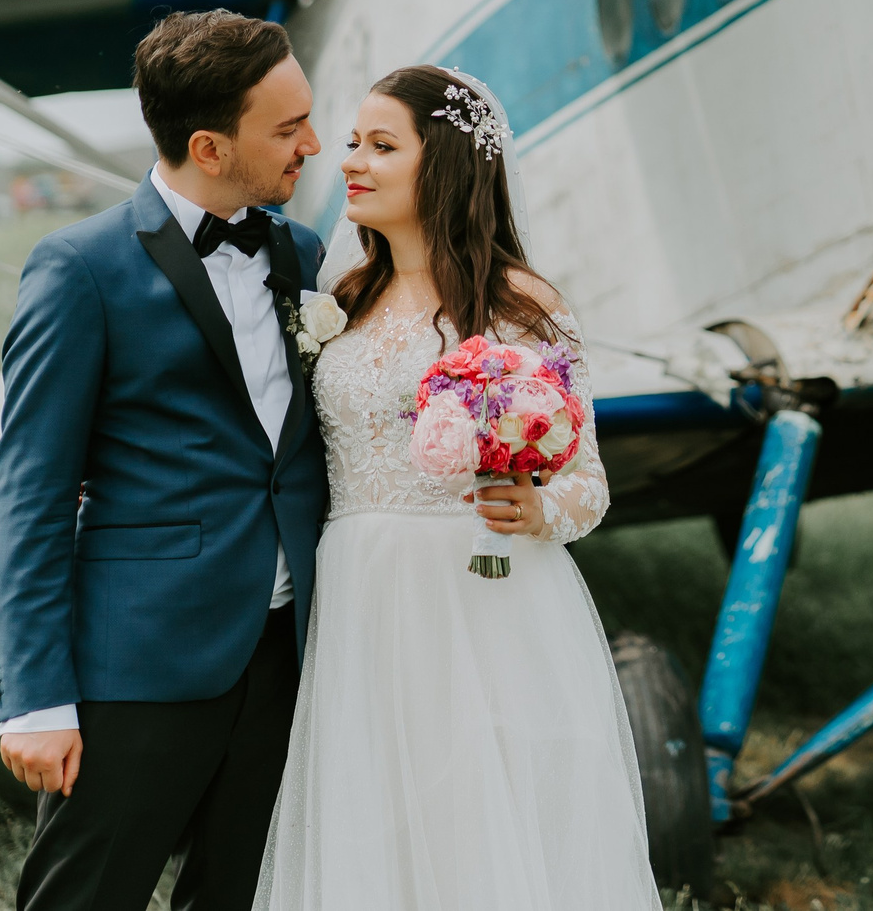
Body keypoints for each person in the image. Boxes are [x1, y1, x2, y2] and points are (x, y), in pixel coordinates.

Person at [255, 64, 658, 908]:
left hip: (481, 595)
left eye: (381, 145)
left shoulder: (518, 303)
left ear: (442, 162)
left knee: (476, 816)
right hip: (360, 594)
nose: (351, 161)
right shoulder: (341, 296)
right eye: (354, 142)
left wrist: (537, 506)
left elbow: (588, 482)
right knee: (377, 821)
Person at [0, 10, 329, 910]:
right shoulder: (79, 267)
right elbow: (31, 493)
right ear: (210, 147)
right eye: (289, 129)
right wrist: (34, 698)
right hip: (139, 659)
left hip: (285, 655)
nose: (312, 144)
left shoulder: (302, 253)